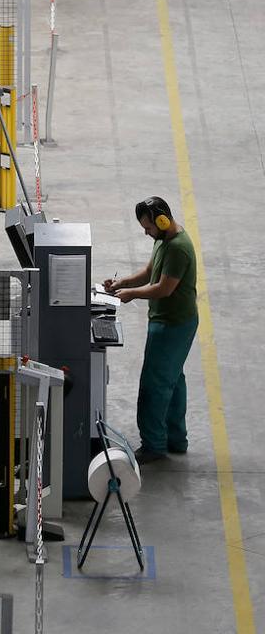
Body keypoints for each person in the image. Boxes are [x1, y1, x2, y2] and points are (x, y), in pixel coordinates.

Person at [102, 197, 199, 464]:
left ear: (162, 221)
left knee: (154, 385)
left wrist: (130, 294)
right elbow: (150, 272)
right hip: (172, 321)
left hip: (172, 324)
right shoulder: (164, 240)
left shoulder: (178, 248)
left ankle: (154, 445)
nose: (146, 233)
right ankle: (176, 440)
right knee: (173, 381)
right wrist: (123, 282)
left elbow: (163, 289)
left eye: (148, 227)